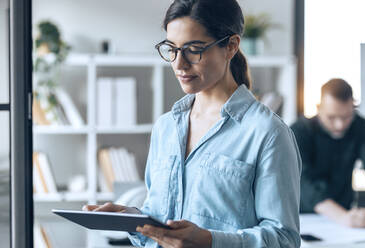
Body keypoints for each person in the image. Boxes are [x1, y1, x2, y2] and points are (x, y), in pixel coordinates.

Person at [83, 0, 302, 247]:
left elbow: (284, 239)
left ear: (231, 46)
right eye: (172, 49)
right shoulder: (165, 128)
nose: (179, 64)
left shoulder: (268, 133)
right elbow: (161, 224)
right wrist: (134, 220)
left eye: (194, 49)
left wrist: (210, 241)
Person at [291, 78, 365, 228]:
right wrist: (341, 217)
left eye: (346, 117)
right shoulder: (299, 131)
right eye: (331, 117)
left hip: (346, 214)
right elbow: (304, 183)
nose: (339, 125)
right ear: (318, 107)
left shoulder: (360, 127)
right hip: (305, 217)